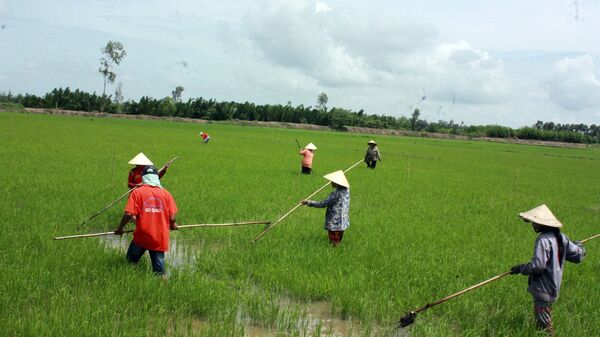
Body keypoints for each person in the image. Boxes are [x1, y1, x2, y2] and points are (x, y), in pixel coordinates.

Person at [510, 204, 585, 336]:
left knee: (545, 326)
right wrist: (579, 246)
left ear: (543, 225)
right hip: (553, 286)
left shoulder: (543, 240)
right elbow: (578, 256)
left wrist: (521, 268)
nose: (533, 225)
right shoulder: (562, 238)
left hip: (543, 289)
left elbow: (538, 266)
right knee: (541, 321)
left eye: (535, 223)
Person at [115, 165, 179, 276]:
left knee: (130, 263)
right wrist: (173, 225)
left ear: (144, 177)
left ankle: (129, 278)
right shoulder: (166, 194)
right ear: (156, 178)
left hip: (142, 236)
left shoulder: (137, 192)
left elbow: (128, 214)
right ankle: (162, 286)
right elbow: (172, 217)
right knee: (159, 271)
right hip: (159, 238)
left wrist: (120, 228)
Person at [301, 170, 350, 246]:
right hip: (343, 221)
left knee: (334, 242)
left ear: (337, 183)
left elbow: (323, 204)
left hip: (335, 221)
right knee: (338, 239)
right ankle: (336, 249)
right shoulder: (346, 190)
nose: (330, 182)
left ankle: (334, 251)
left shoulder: (336, 194)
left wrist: (308, 202)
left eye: (332, 181)